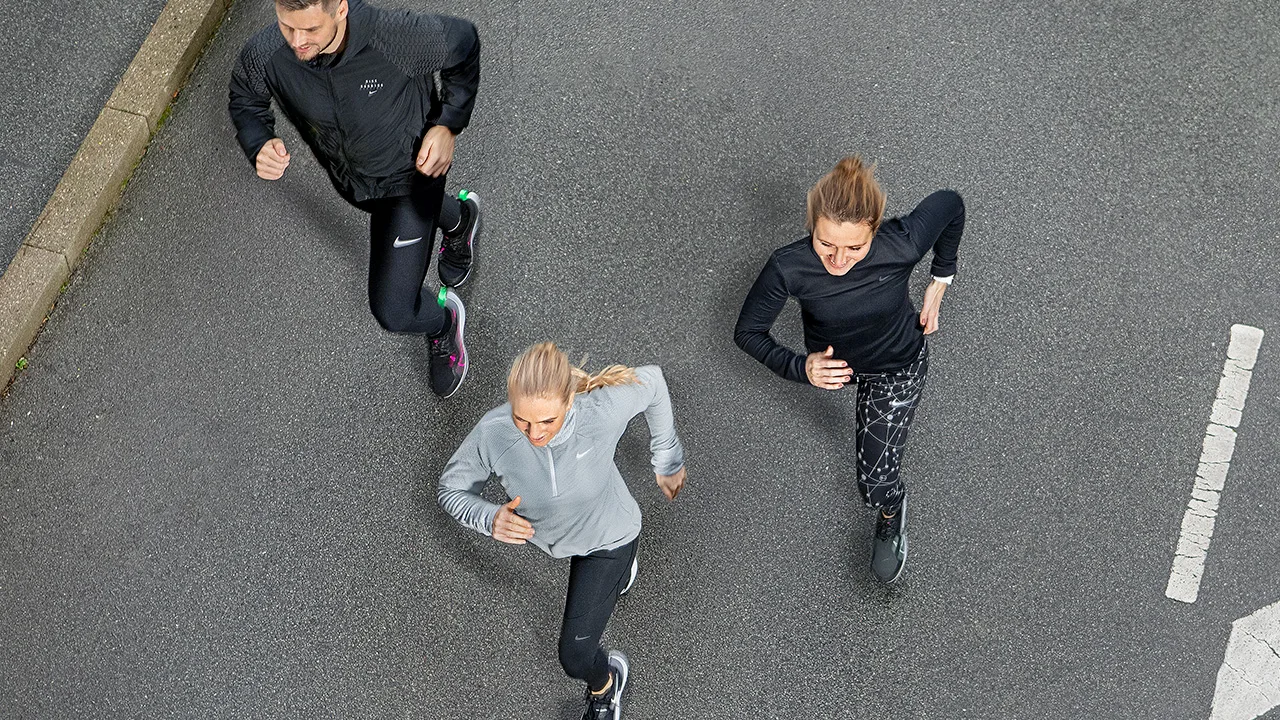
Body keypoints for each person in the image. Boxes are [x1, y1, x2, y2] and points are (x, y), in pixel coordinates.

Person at [228, 0, 482, 398]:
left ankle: (443, 321)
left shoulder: (395, 36)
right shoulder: (268, 52)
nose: (297, 41)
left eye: (310, 30)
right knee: (386, 213)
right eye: (286, 26)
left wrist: (449, 124)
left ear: (341, 8)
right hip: (355, 182)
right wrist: (258, 140)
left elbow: (464, 43)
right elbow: (245, 95)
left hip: (412, 175)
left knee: (393, 310)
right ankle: (460, 219)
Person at [734, 156, 965, 583]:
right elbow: (748, 331)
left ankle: (892, 508)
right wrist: (800, 367)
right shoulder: (788, 267)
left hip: (897, 368)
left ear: (874, 231)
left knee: (875, 483)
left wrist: (940, 279)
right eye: (826, 244)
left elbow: (951, 204)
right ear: (812, 227)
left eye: (855, 248)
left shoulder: (903, 242)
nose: (838, 259)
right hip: (838, 367)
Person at [438, 343, 687, 720]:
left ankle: (606, 687)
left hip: (610, 536)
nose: (534, 433)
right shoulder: (493, 432)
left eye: (547, 422)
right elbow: (450, 490)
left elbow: (652, 381)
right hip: (557, 540)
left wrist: (667, 457)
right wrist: (488, 518)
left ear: (569, 402)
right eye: (522, 420)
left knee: (575, 656)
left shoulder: (598, 413)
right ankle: (616, 577)